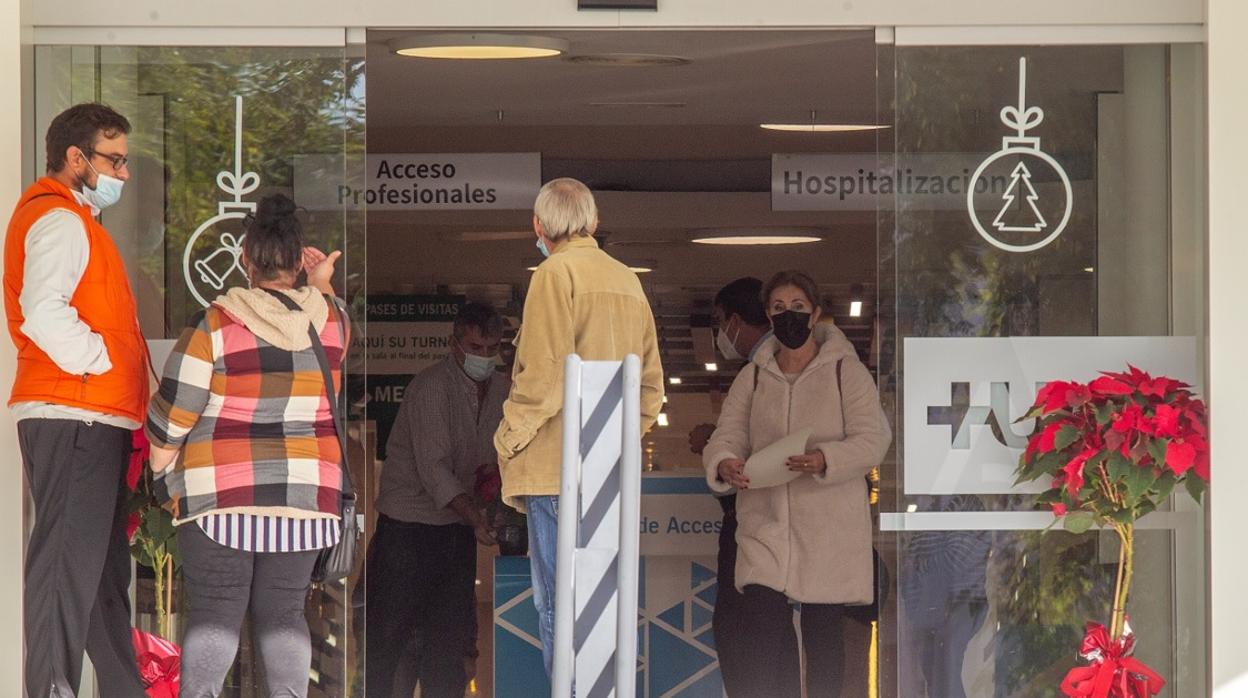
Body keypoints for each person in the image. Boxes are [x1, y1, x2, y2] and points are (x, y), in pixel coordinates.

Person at [144, 194, 348, 698]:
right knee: (284, 612)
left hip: (220, 493)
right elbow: (325, 306)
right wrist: (319, 283)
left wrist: (162, 470)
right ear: (301, 259)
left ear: (244, 261)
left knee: (216, 610)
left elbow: (175, 414)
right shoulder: (334, 324)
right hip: (305, 495)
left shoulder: (214, 323)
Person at [3, 102, 148, 698]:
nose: (124, 173)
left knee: (98, 574)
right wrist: (101, 362)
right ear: (75, 157)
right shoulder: (59, 221)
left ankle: (121, 689)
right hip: (75, 415)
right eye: (114, 159)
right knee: (67, 570)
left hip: (89, 415)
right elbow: (43, 313)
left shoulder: (77, 221)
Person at [494, 177, 665, 679]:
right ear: (594, 222)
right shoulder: (628, 281)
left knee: (559, 607)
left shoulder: (553, 275)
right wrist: (616, 442)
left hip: (554, 469)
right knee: (602, 610)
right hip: (607, 476)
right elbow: (650, 387)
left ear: (538, 226)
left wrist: (507, 440)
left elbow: (544, 377)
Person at [702, 270, 891, 698]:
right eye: (779, 309)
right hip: (765, 525)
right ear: (768, 316)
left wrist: (827, 458)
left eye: (798, 308)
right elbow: (727, 434)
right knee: (764, 632)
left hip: (829, 527)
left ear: (817, 313)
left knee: (824, 639)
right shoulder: (751, 377)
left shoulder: (847, 372)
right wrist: (724, 461)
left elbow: (873, 439)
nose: (789, 317)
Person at [365, 302, 509, 698]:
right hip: (407, 531)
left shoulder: (502, 390)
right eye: (474, 347)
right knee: (388, 642)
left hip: (455, 532)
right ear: (454, 344)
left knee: (448, 643)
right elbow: (433, 470)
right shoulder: (431, 386)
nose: (483, 357)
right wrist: (476, 516)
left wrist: (491, 507)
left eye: (490, 348)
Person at [685, 277, 772, 697]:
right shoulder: (763, 370)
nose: (721, 334)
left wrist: (713, 445)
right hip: (758, 524)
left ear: (736, 320)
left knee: (740, 631)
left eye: (720, 322)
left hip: (752, 523)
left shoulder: (762, 372)